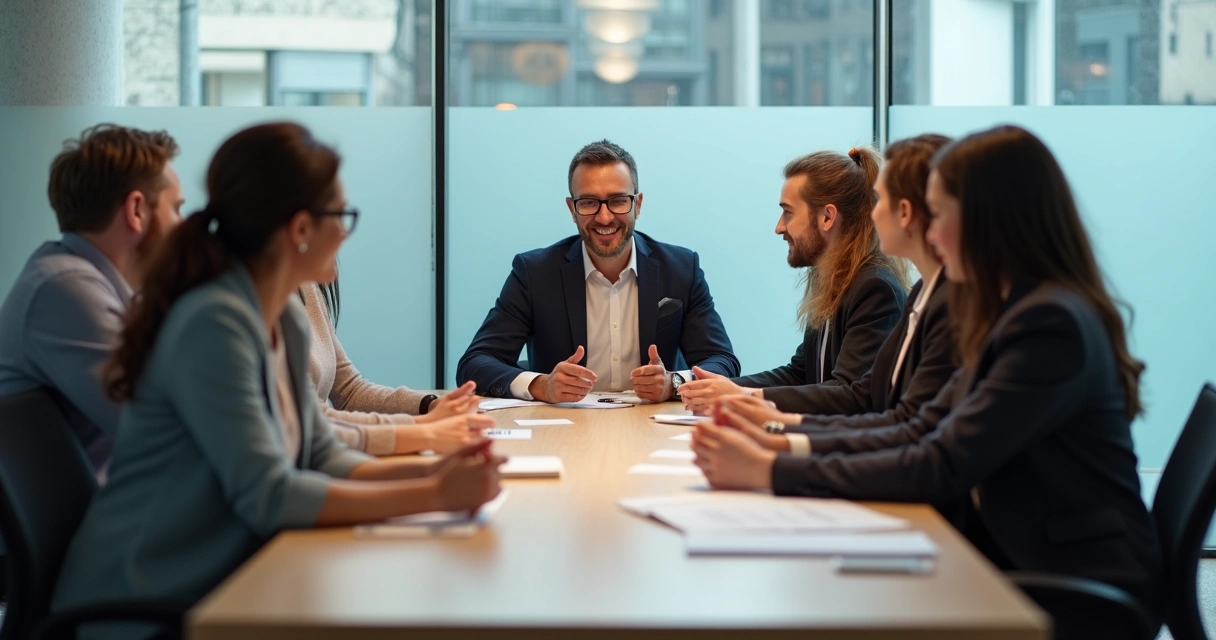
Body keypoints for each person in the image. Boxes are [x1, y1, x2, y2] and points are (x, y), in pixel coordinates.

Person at [691, 125, 1164, 619]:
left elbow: (941, 461)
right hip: (999, 547)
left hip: (1064, 575)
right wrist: (778, 441)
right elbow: (915, 424)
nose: (930, 232)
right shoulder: (1006, 308)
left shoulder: (1047, 324)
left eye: (939, 213)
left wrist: (771, 465)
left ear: (988, 219)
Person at [51, 122, 504, 618]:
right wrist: (434, 493)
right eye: (341, 215)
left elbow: (320, 454)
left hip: (228, 576)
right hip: (144, 597)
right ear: (301, 228)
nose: (346, 234)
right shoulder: (213, 322)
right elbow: (269, 495)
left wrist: (435, 468)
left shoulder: (283, 314)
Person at [714, 135, 959, 456]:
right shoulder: (905, 292)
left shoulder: (879, 286)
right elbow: (807, 373)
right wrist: (733, 394)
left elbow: (864, 401)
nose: (873, 214)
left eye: (882, 201)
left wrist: (770, 424)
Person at [457, 139, 739, 404]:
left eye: (617, 201)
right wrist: (541, 385)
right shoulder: (534, 273)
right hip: (564, 429)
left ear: (637, 205)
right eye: (589, 202)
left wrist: (673, 383)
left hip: (653, 424)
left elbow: (722, 361)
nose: (604, 217)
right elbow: (475, 363)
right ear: (572, 209)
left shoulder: (681, 269)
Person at [0, 124, 183, 473]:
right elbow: (164, 424)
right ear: (136, 210)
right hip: (108, 519)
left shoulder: (90, 283)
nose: (183, 225)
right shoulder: (64, 288)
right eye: (176, 209)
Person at [679, 148, 908, 414]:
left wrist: (743, 396)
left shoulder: (874, 288)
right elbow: (800, 373)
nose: (779, 227)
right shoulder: (834, 282)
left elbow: (851, 395)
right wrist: (719, 388)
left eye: (788, 212)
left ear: (827, 217)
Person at [301, 279, 492, 455]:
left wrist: (431, 405)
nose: (336, 269)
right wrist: (423, 428)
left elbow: (349, 392)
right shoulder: (279, 309)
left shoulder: (308, 287)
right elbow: (313, 421)